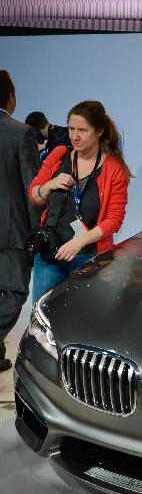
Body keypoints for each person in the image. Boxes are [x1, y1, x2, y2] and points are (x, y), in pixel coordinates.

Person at [28, 100, 131, 306]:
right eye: (71, 129)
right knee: (42, 315)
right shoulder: (59, 155)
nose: (74, 136)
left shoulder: (114, 169)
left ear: (99, 131)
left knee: (83, 317)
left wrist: (79, 242)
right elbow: (35, 193)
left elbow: (114, 220)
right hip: (50, 254)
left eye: (82, 130)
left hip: (87, 256)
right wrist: (49, 185)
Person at [0, 71, 41, 372]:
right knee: (14, 292)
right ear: (11, 97)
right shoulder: (21, 132)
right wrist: (37, 231)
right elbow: (33, 188)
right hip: (11, 229)